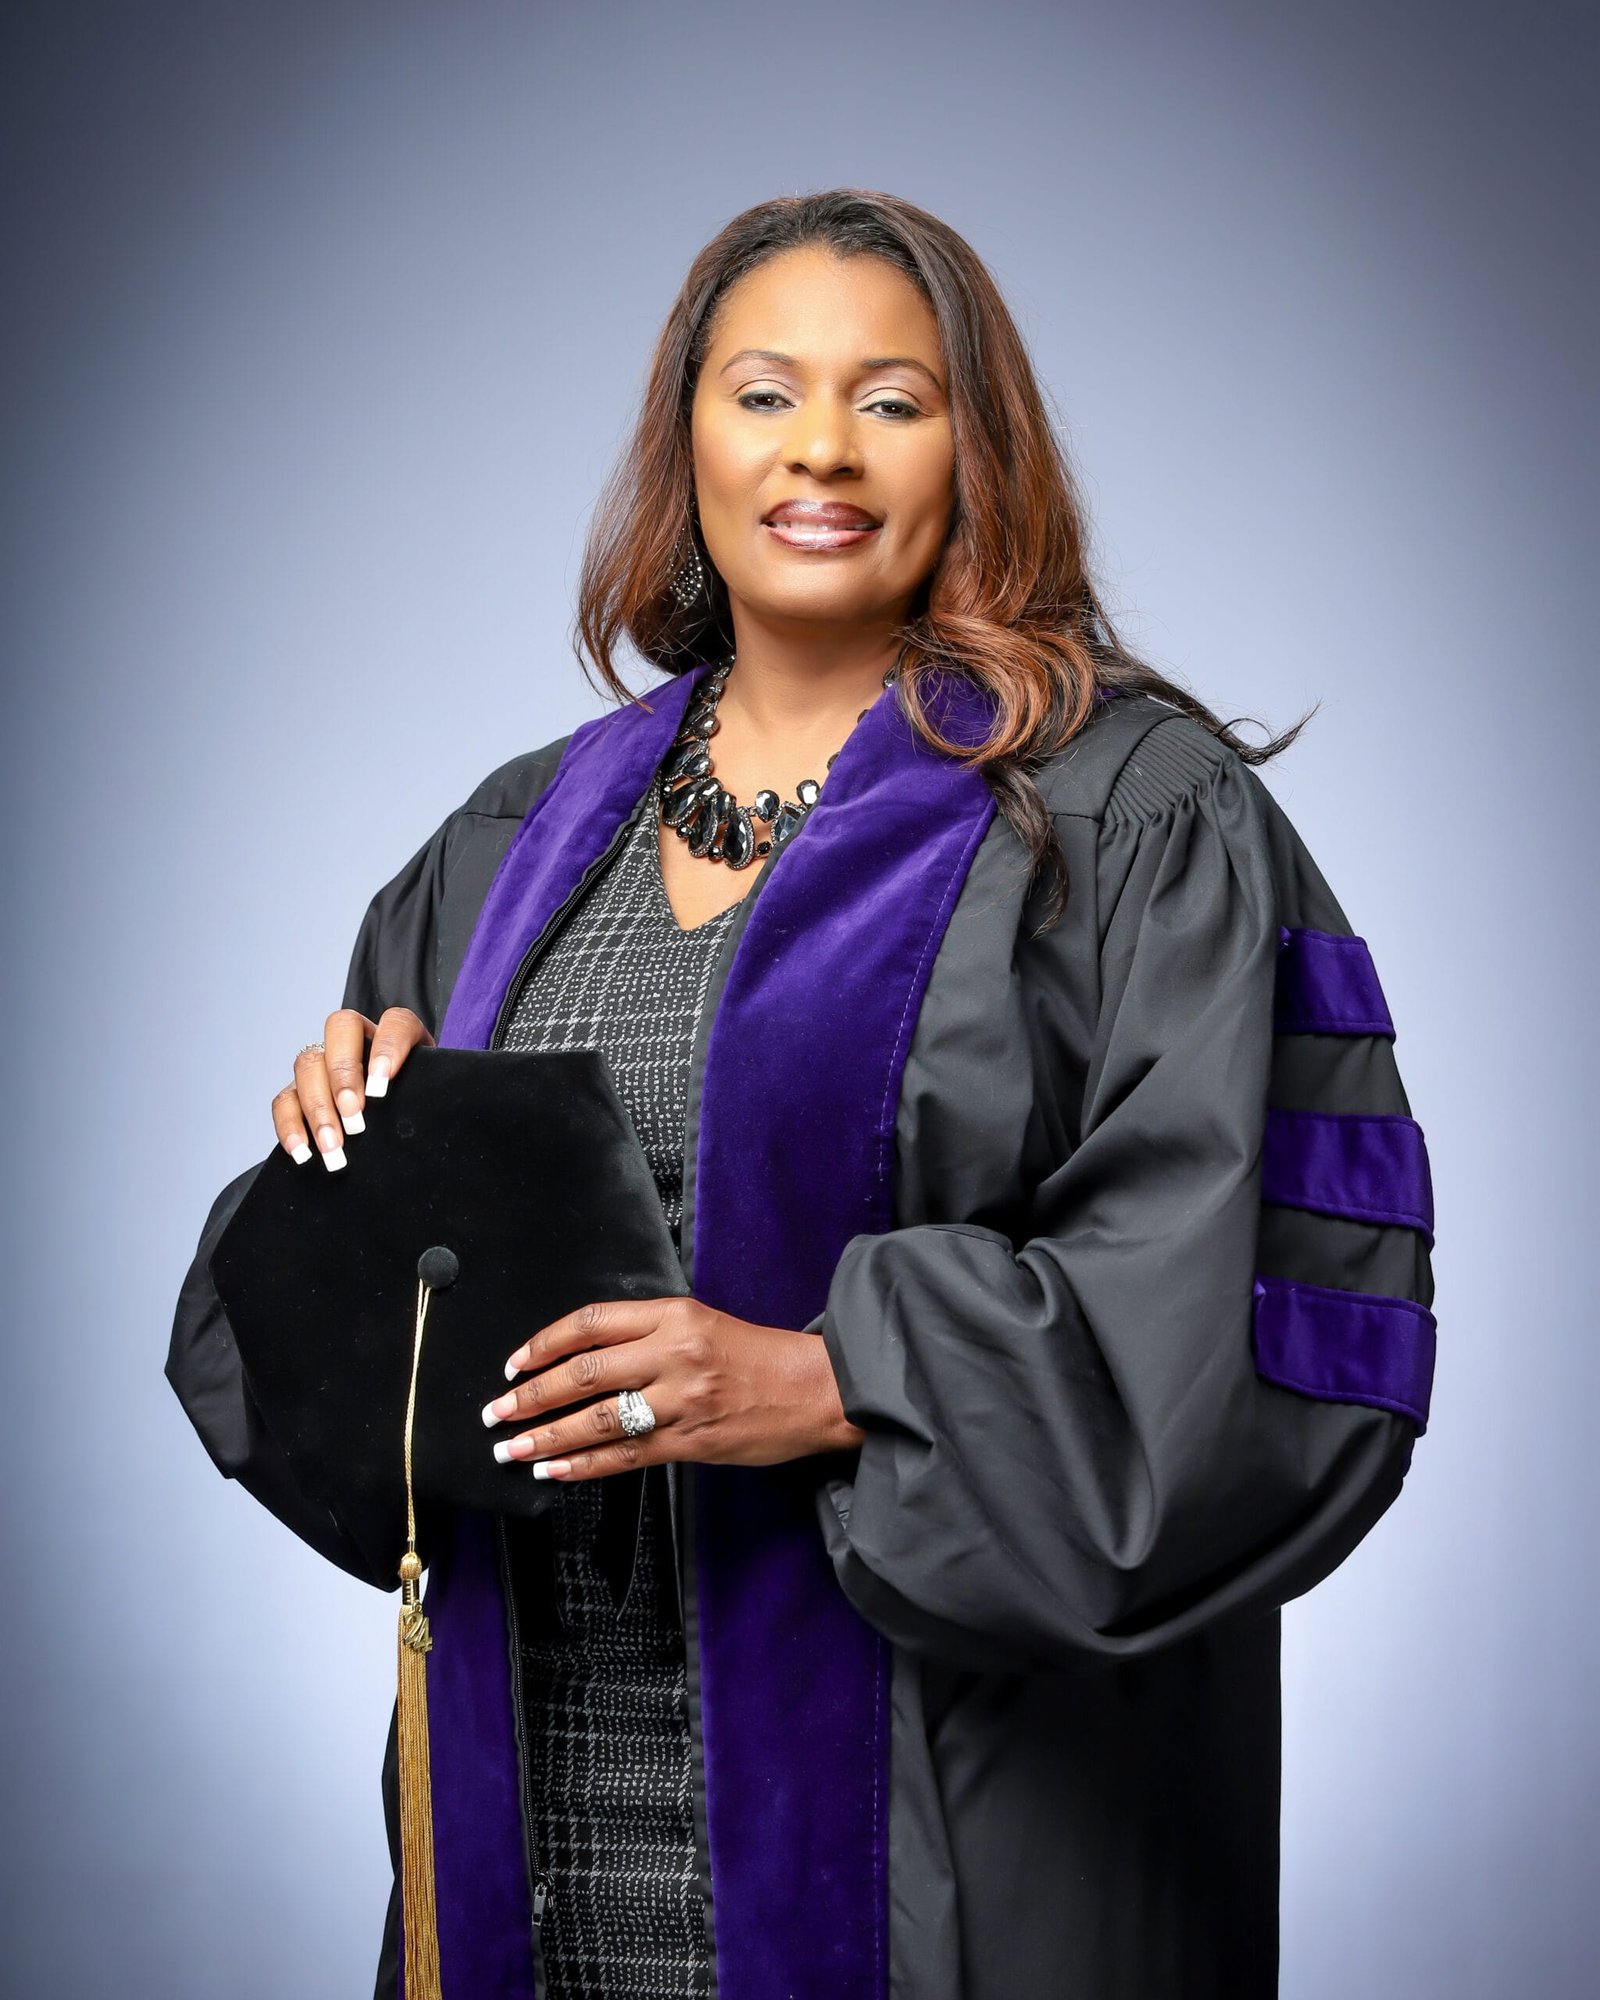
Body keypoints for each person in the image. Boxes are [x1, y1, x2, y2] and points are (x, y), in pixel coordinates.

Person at [166, 188, 1438, 2000]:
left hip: (955, 1856)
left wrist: (833, 1380)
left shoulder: (1130, 823)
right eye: (764, 393)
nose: (820, 449)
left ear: (976, 450)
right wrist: (349, 1171)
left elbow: (1255, 1322)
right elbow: (338, 1406)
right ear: (686, 439)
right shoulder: (509, 850)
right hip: (549, 1838)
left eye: (892, 399)